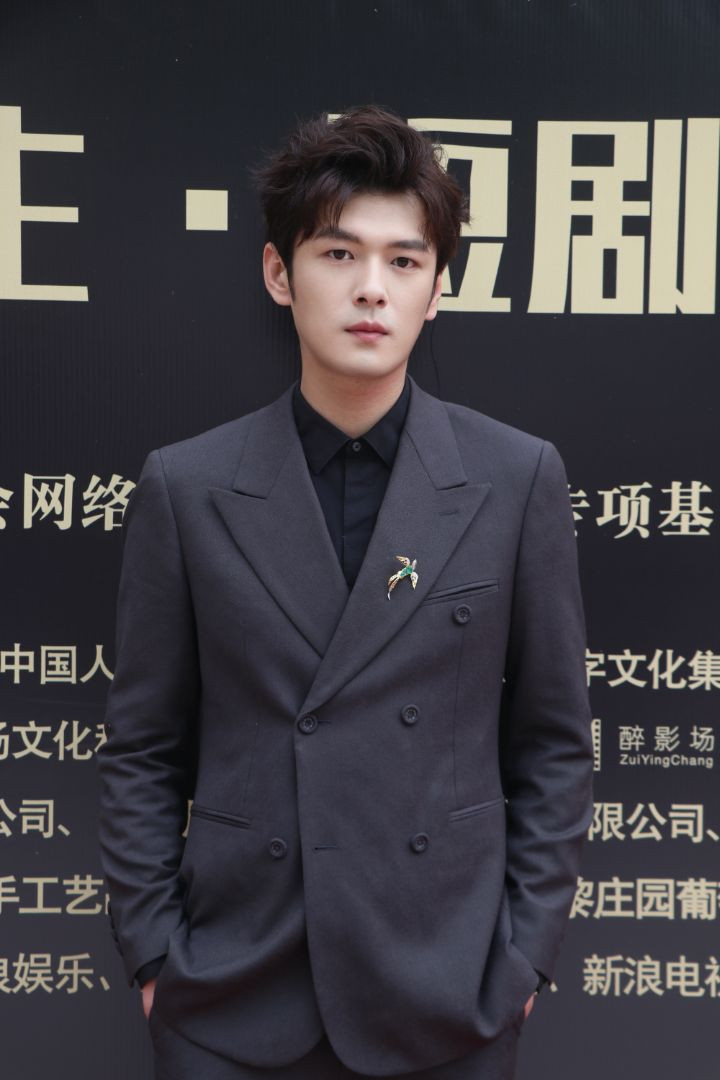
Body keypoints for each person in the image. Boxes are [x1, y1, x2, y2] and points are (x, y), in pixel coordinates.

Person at [97, 104, 594, 1080]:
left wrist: (522, 961)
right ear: (279, 273)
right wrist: (155, 957)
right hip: (233, 996)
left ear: (437, 289)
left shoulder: (514, 478)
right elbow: (144, 748)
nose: (372, 287)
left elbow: (553, 744)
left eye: (404, 261)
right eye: (338, 254)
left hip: (447, 992)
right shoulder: (190, 486)